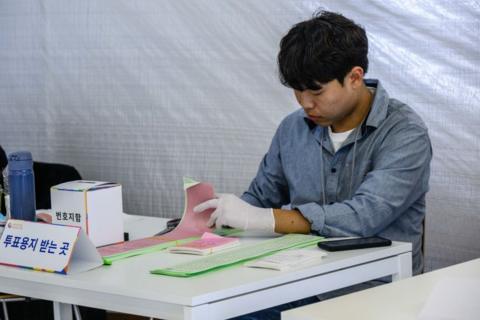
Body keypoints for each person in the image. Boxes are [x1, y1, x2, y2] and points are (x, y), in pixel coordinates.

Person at [194, 10, 432, 318]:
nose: (305, 103)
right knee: (210, 309)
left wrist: (263, 219)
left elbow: (363, 217)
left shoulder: (404, 133)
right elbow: (261, 198)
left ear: (355, 77)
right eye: (297, 90)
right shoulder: (293, 128)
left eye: (316, 91)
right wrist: (219, 217)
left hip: (375, 292)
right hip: (299, 280)